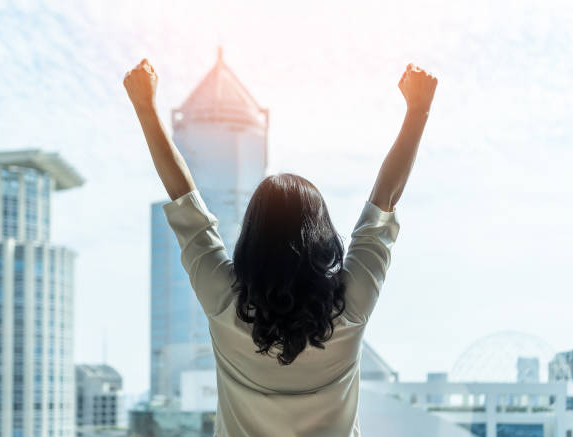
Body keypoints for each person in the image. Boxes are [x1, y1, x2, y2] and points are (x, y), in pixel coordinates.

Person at [123, 58, 437, 437]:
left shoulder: (224, 301)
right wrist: (418, 111)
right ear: (321, 236)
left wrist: (145, 107)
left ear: (252, 236)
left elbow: (185, 200)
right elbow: (384, 200)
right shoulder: (350, 304)